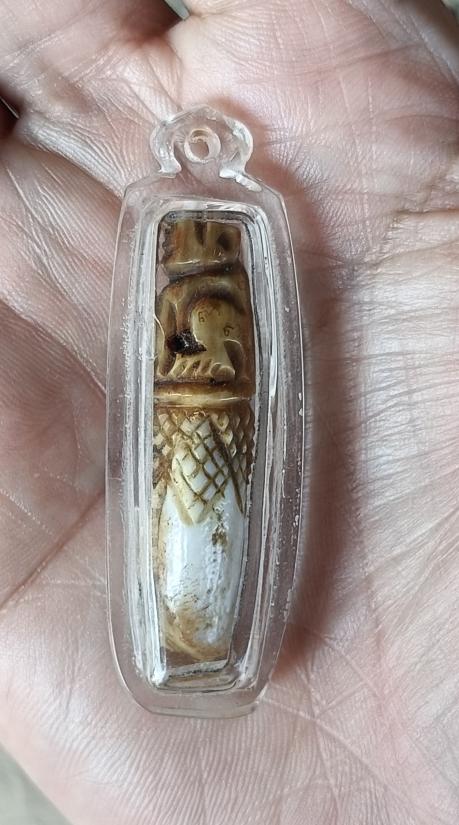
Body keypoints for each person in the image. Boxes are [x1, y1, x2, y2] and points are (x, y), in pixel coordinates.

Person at [0, 1, 458, 822]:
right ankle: (196, 634)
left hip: (219, 414)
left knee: (208, 527)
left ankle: (202, 634)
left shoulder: (223, 280)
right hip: (190, 416)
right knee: (191, 532)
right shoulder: (181, 297)